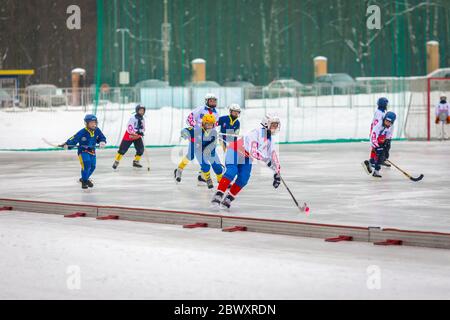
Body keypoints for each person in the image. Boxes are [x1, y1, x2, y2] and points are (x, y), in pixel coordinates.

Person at [211, 114, 281, 209]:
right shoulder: (256, 132)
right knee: (231, 172)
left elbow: (273, 155)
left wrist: (277, 172)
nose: (275, 127)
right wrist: (266, 161)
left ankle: (229, 198)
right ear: (266, 124)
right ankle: (218, 194)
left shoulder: (269, 140)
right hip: (235, 151)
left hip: (246, 157)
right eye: (273, 124)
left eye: (276, 125)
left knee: (244, 178)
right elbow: (253, 151)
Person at [175, 93, 220, 184]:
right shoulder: (200, 109)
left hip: (206, 138)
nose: (213, 102)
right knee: (190, 156)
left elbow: (215, 125)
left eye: (214, 101)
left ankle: (202, 175)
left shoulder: (216, 113)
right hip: (196, 136)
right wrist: (196, 128)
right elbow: (189, 118)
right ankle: (179, 169)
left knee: (207, 155)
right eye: (211, 100)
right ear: (206, 101)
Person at [175, 114, 223, 189]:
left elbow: (213, 145)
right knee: (192, 157)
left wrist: (208, 150)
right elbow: (185, 130)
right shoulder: (196, 130)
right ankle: (179, 169)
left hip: (207, 149)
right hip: (196, 147)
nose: (210, 126)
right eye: (208, 124)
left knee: (217, 166)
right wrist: (185, 134)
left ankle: (220, 180)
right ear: (203, 124)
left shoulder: (214, 133)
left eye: (211, 124)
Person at [59, 114, 107, 189]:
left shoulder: (97, 130)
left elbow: (102, 137)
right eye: (91, 123)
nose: (93, 124)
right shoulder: (82, 132)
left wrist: (102, 141)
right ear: (87, 123)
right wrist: (67, 144)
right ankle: (84, 181)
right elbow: (74, 139)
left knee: (93, 167)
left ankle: (84, 179)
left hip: (92, 152)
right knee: (87, 165)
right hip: (83, 151)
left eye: (95, 122)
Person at [362, 112, 396, 178]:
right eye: (386, 121)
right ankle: (376, 171)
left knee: (385, 155)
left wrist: (387, 143)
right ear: (384, 119)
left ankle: (370, 162)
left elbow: (389, 135)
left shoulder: (391, 126)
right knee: (380, 155)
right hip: (375, 140)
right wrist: (376, 147)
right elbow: (373, 137)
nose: (387, 123)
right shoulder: (379, 125)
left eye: (389, 122)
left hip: (383, 139)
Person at [113, 105, 147, 169]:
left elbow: (143, 128)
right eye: (140, 110)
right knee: (122, 150)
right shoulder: (133, 118)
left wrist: (141, 131)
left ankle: (136, 161)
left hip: (137, 136)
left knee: (140, 149)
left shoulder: (142, 119)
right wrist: (136, 132)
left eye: (143, 111)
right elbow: (129, 127)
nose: (142, 112)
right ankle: (116, 161)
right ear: (137, 111)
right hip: (129, 135)